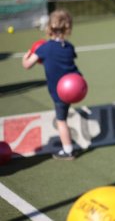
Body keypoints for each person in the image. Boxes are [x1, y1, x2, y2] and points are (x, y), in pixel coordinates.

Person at [22, 9, 82, 160]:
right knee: (63, 117)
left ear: (49, 28)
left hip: (60, 92)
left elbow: (27, 65)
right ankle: (68, 146)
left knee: (61, 121)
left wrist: (27, 55)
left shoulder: (45, 48)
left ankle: (68, 150)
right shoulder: (69, 47)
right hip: (75, 88)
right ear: (67, 28)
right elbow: (62, 60)